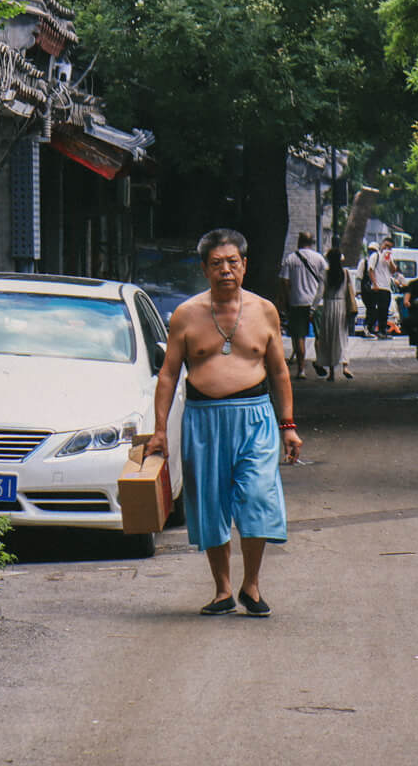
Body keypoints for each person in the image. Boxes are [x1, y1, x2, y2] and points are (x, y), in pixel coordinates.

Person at [147, 229, 302, 617]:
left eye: (233, 262)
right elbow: (168, 375)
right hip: (204, 420)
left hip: (254, 416)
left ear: (245, 266)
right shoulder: (186, 315)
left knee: (257, 496)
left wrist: (288, 425)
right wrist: (160, 430)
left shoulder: (264, 311)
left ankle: (251, 585)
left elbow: (279, 372)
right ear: (204, 269)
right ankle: (222, 590)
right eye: (217, 264)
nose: (226, 271)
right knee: (210, 503)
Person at [277, 232, 327, 379]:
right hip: (317, 303)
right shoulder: (319, 258)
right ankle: (320, 362)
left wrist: (286, 299)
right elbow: (324, 281)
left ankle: (301, 369)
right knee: (319, 334)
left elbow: (284, 282)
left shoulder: (291, 259)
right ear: (312, 242)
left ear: (299, 241)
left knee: (299, 337)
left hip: (297, 301)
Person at [314, 247, 357, 381]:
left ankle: (331, 373)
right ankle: (345, 366)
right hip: (342, 306)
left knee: (329, 338)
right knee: (342, 337)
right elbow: (352, 291)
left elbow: (319, 293)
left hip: (328, 306)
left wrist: (312, 308)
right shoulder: (345, 273)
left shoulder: (324, 274)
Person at [363, 237, 399, 338]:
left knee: (385, 309)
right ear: (382, 244)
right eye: (385, 245)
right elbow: (370, 269)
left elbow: (393, 270)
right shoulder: (375, 255)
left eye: (389, 247)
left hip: (387, 287)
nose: (387, 248)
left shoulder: (389, 258)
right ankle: (371, 328)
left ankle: (383, 330)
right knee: (378, 309)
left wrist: (390, 260)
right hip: (378, 287)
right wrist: (374, 284)